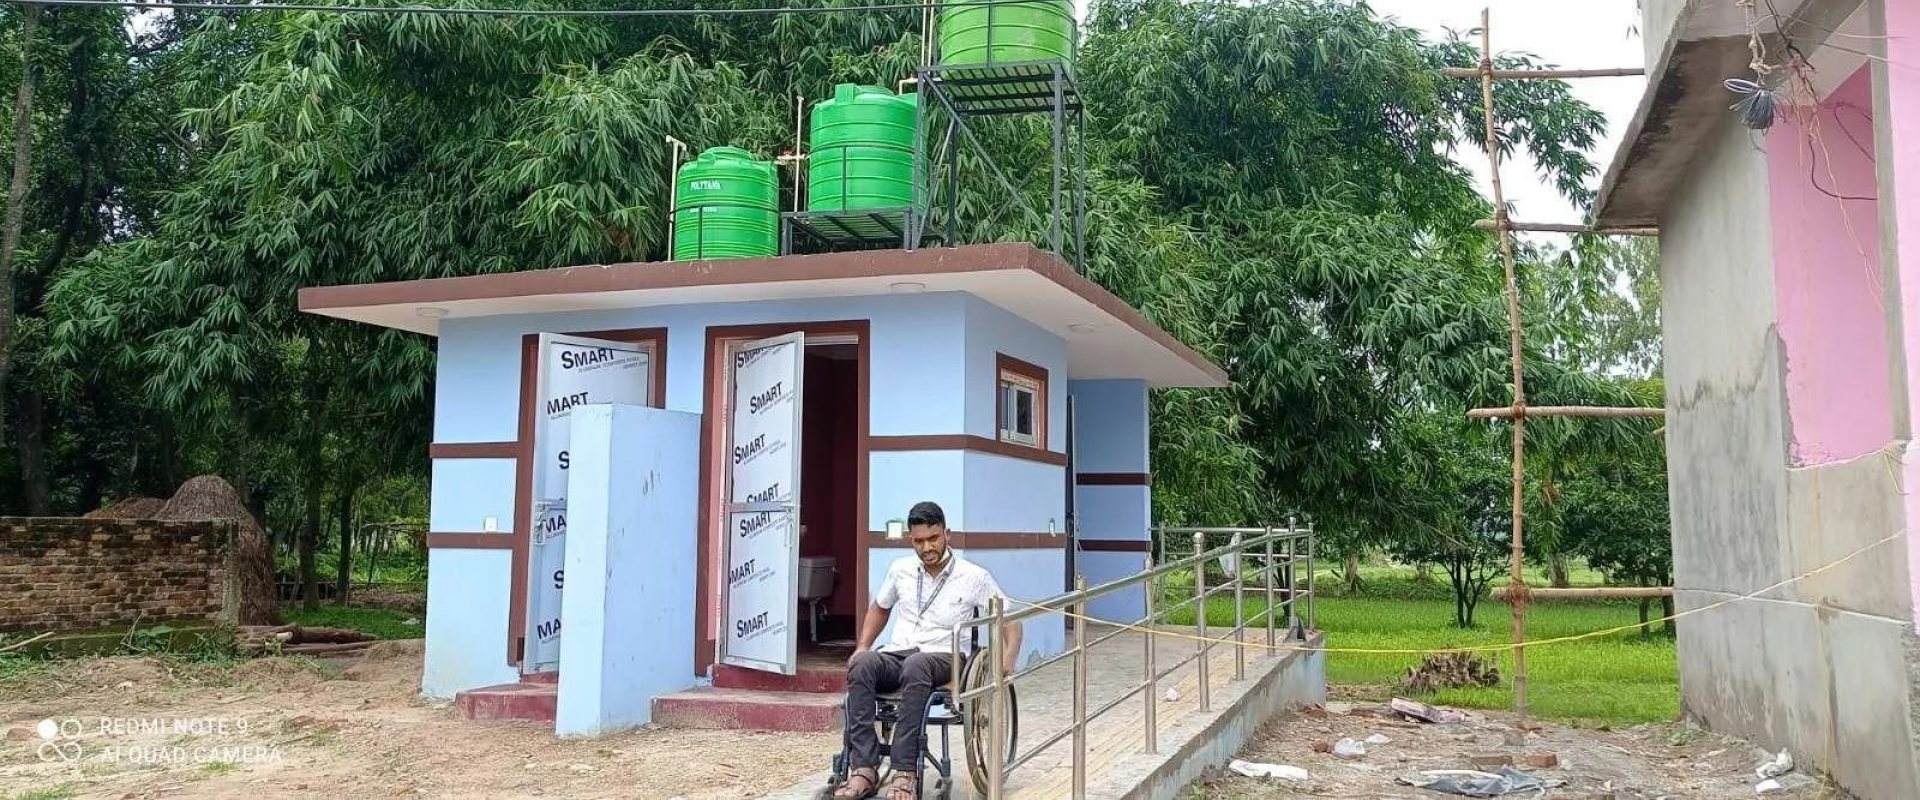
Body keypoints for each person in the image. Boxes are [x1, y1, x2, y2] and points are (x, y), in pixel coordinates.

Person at [835, 501, 1022, 800]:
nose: (926, 547)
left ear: (947, 534)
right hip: (900, 653)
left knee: (917, 665)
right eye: (919, 541)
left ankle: (905, 771)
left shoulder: (974, 576)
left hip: (946, 658)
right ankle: (864, 768)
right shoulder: (901, 569)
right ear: (912, 539)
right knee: (862, 665)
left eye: (933, 538)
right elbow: (880, 608)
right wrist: (862, 646)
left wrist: (1007, 662)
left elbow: (1008, 619)